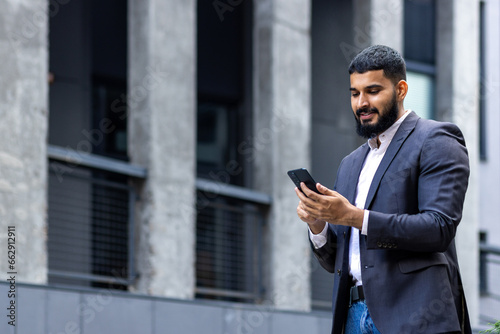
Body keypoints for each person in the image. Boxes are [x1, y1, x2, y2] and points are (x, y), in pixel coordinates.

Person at [294, 45, 471, 334]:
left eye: (373, 91)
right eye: (354, 93)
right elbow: (336, 261)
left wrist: (354, 217)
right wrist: (318, 223)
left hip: (415, 315)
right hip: (352, 316)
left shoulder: (436, 139)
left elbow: (438, 228)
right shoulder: (350, 163)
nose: (361, 103)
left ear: (401, 89)